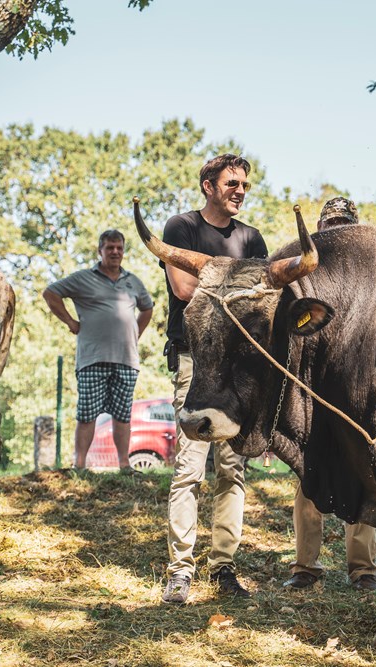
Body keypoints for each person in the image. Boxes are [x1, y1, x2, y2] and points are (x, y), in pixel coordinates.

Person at [160, 154, 268, 604]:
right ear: (208, 186)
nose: (240, 190)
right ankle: (180, 570)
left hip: (239, 368)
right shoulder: (180, 229)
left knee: (233, 469)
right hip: (195, 360)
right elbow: (185, 292)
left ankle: (224, 567)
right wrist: (239, 286)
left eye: (244, 184)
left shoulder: (252, 237)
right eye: (231, 183)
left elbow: (263, 300)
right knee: (189, 469)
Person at [283, 197, 376, 592]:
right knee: (309, 473)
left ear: (354, 227)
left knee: (363, 472)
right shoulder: (301, 269)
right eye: (330, 224)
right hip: (311, 386)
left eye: (344, 224)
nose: (336, 230)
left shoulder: (370, 270)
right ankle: (305, 566)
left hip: (357, 385)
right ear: (319, 228)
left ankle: (364, 569)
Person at [43, 229, 154, 473]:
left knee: (123, 415)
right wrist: (70, 322)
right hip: (92, 358)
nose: (115, 252)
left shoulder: (132, 281)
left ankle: (125, 465)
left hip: (126, 360)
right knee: (87, 414)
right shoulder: (83, 278)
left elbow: (147, 308)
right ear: (100, 251)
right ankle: (79, 465)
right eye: (110, 248)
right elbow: (50, 293)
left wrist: (136, 332)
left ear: (123, 251)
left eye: (119, 248)